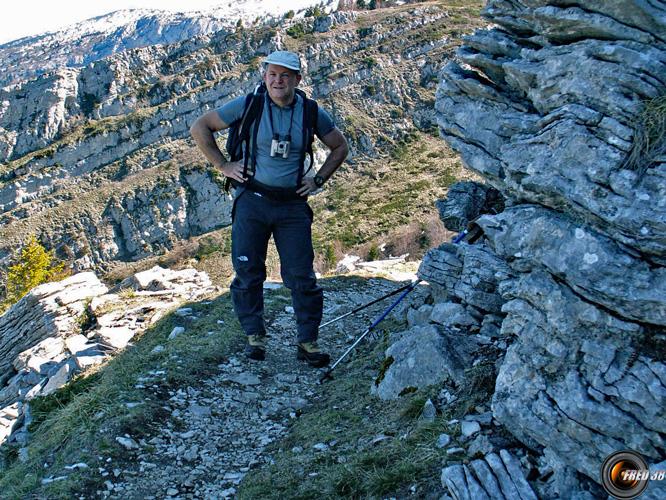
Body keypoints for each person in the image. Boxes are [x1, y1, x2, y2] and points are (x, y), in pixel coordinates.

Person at [190, 50, 349, 367]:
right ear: (265, 77)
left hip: (292, 206)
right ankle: (255, 338)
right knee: (248, 272)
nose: (278, 80)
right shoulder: (250, 105)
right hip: (253, 201)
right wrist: (223, 165)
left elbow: (340, 146)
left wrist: (317, 179)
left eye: (285, 75)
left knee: (302, 275)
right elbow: (200, 127)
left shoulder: (310, 111)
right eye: (272, 74)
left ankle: (308, 343)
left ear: (297, 80)